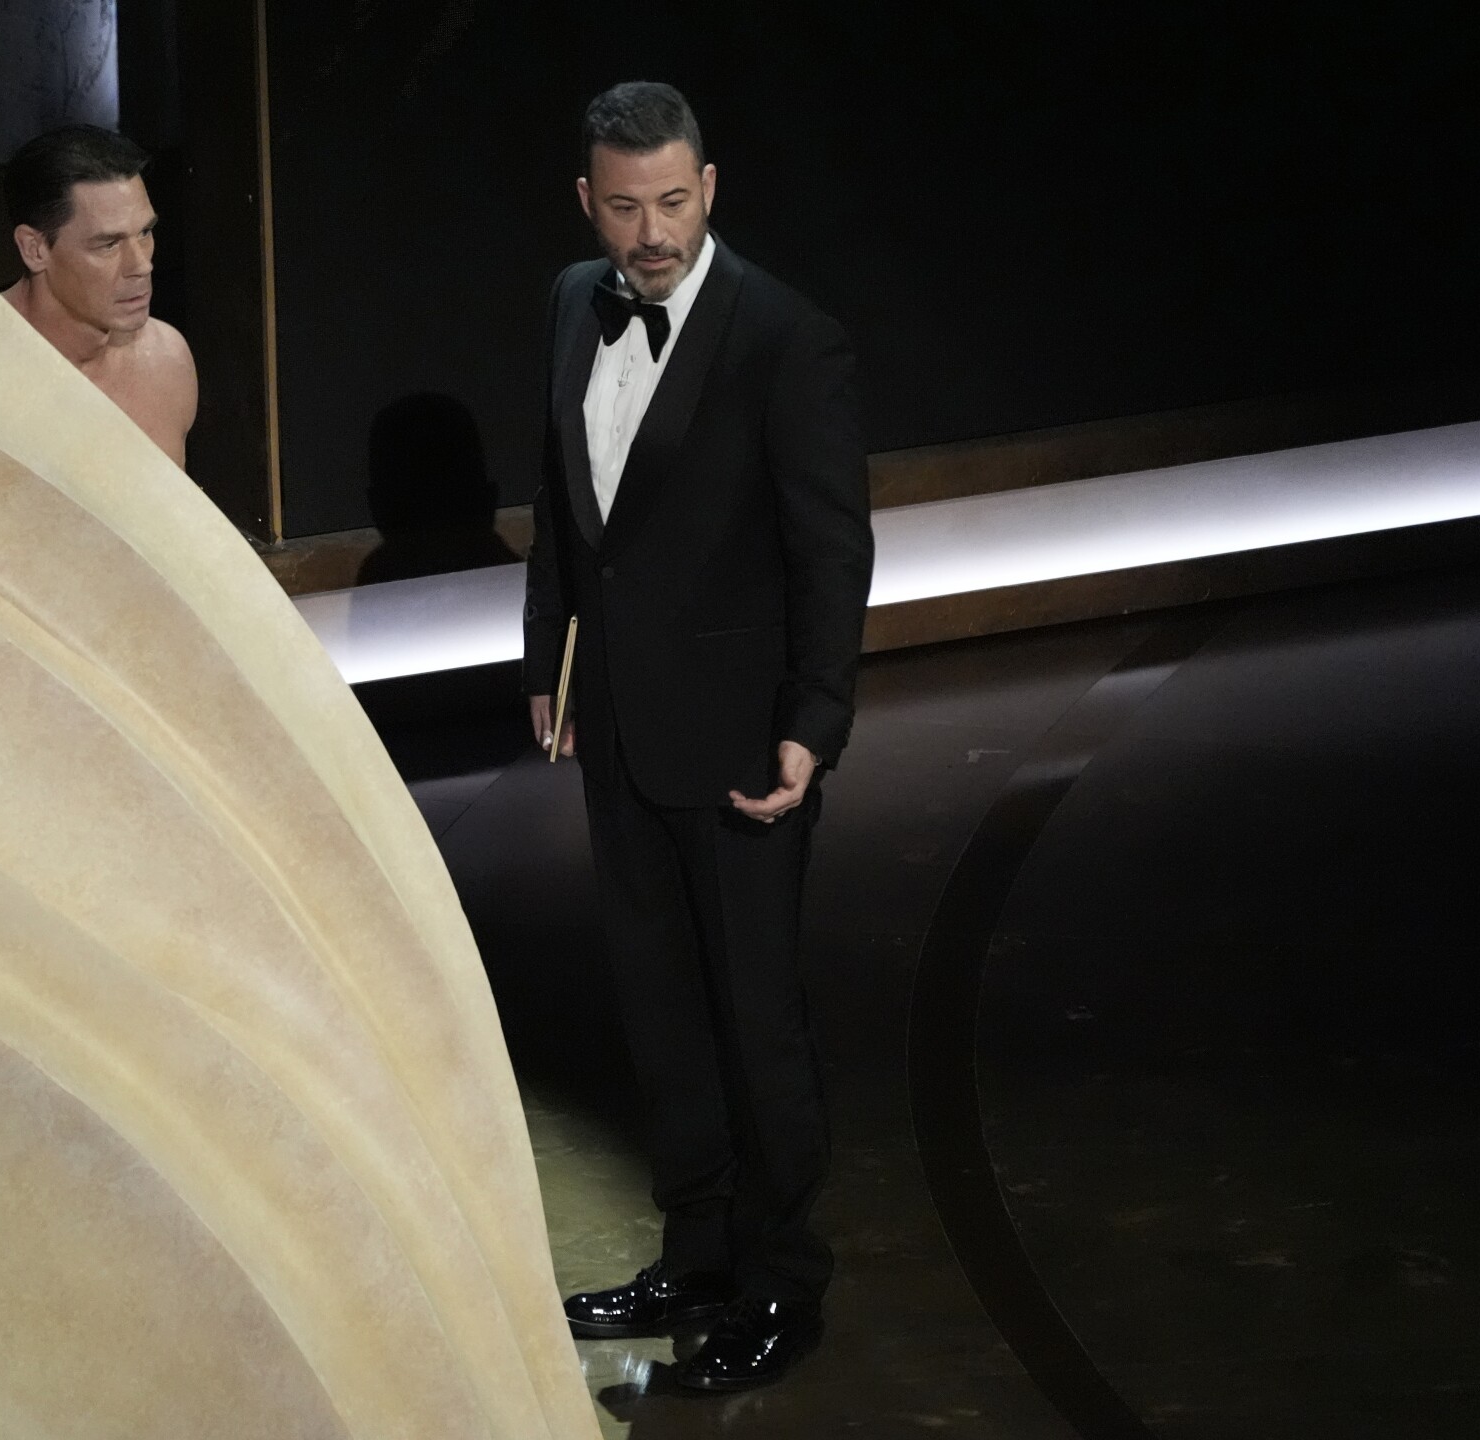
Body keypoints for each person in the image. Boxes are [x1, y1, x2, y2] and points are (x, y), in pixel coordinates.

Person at [522, 82, 874, 1392]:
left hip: (739, 748)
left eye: (673, 202)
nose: (651, 231)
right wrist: (545, 664)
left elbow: (830, 551)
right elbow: (567, 514)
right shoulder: (573, 301)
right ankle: (697, 1250)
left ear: (708, 189)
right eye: (626, 206)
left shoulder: (786, 339)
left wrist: (812, 727)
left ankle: (784, 1282)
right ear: (588, 202)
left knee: (754, 1021)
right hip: (616, 728)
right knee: (660, 1013)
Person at [2, 126, 198, 466]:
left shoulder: (167, 360)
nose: (141, 266)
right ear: (34, 249)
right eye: (108, 244)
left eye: (145, 233)